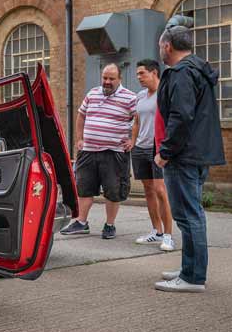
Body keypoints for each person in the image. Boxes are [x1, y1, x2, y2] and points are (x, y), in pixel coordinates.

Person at [153, 25, 225, 293]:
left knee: (187, 216)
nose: (160, 50)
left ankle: (193, 277)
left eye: (161, 45)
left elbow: (181, 117)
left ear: (168, 46)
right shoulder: (197, 69)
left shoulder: (182, 73)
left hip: (183, 155)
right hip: (197, 153)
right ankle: (189, 269)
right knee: (192, 214)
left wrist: (165, 152)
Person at [60, 63, 137, 239]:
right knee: (84, 188)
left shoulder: (130, 97)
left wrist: (133, 140)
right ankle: (81, 222)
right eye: (105, 78)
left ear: (120, 79)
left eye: (111, 78)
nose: (107, 81)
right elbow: (81, 115)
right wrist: (79, 139)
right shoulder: (92, 93)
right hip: (88, 151)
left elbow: (138, 119)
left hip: (114, 152)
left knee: (113, 190)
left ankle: (109, 225)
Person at [130, 59, 174, 251]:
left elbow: (172, 121)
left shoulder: (164, 94)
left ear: (154, 72)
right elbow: (137, 122)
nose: (139, 77)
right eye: (138, 74)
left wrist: (165, 148)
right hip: (140, 148)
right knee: (148, 190)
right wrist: (133, 142)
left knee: (160, 190)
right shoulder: (140, 96)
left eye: (142, 73)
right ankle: (156, 231)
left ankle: (168, 235)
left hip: (157, 148)